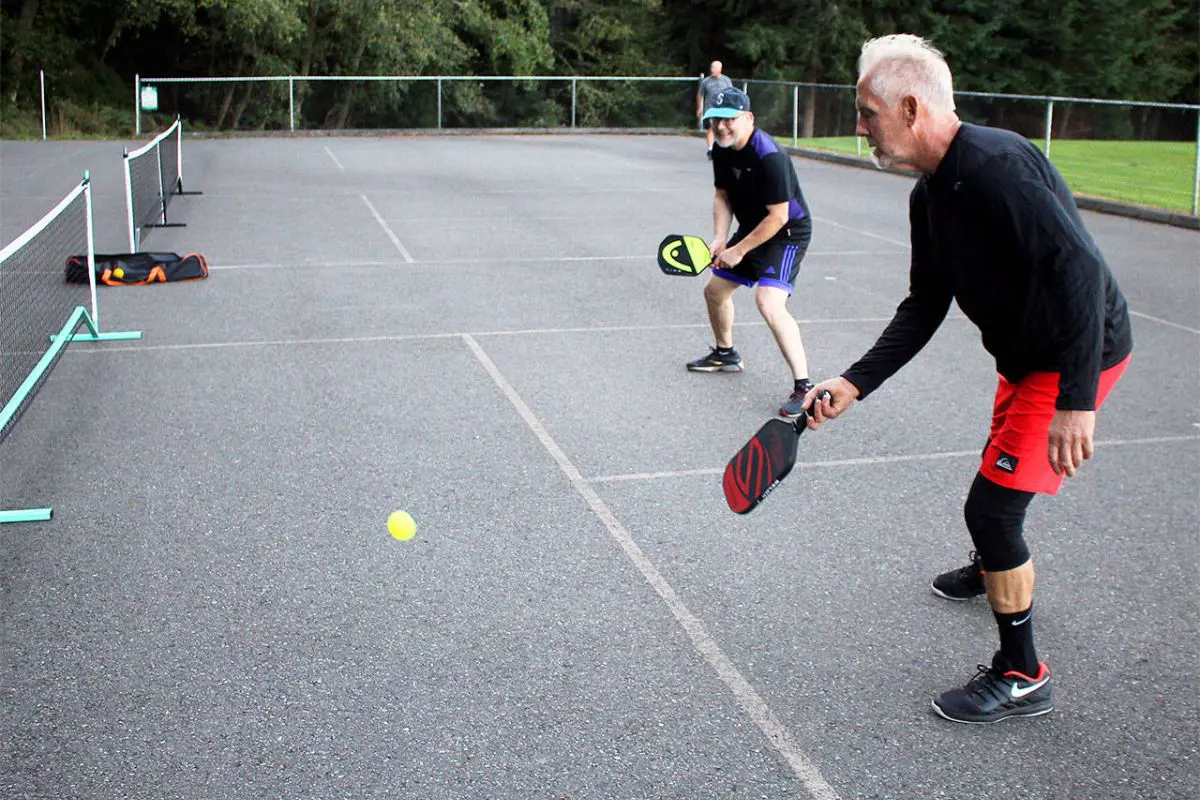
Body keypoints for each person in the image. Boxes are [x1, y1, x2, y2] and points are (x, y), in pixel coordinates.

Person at [801, 34, 1133, 724]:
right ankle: (994, 568)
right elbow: (926, 302)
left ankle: (1023, 673)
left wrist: (1076, 400)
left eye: (867, 113)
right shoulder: (931, 195)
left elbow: (1080, 272)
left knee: (993, 509)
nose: (861, 128)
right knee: (999, 472)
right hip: (1025, 354)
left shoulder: (995, 168)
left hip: (1075, 353)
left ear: (912, 108)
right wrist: (853, 382)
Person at [686, 86, 816, 419]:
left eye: (729, 120)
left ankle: (804, 388)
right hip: (753, 227)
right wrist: (719, 239)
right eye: (715, 121)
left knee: (768, 302)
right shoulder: (722, 150)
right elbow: (722, 196)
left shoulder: (769, 156)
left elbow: (779, 216)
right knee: (714, 291)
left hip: (786, 233)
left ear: (748, 118)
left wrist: (739, 250)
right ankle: (725, 354)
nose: (722, 127)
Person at [697, 61, 733, 160]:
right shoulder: (706, 81)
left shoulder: (726, 81)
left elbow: (731, 94)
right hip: (710, 109)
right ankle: (710, 149)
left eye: (714, 68)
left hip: (723, 109)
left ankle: (724, 148)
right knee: (711, 129)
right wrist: (699, 107)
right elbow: (700, 95)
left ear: (720, 69)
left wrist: (731, 107)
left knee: (723, 129)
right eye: (711, 68)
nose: (712, 70)